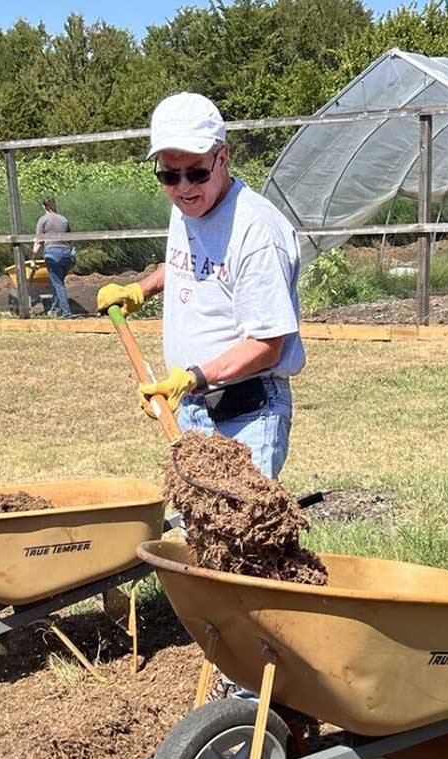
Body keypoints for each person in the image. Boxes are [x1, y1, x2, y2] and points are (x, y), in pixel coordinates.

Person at [95, 91, 305, 479]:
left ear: (222, 158)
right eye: (168, 176)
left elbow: (267, 346)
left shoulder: (256, 230)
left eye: (196, 173)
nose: (183, 187)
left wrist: (193, 377)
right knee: (194, 527)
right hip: (193, 406)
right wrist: (142, 289)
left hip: (248, 410)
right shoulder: (187, 208)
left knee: (235, 530)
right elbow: (193, 264)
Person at [32, 195, 78, 318]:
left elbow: (38, 241)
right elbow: (70, 239)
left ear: (43, 206)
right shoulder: (63, 219)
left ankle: (66, 313)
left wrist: (33, 257)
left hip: (53, 254)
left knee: (58, 284)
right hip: (67, 254)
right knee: (58, 282)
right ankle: (53, 310)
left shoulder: (43, 220)